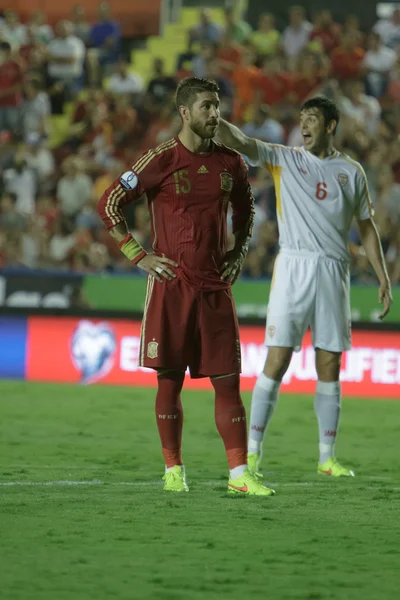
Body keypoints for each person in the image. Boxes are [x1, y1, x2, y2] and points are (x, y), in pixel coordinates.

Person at [97, 77, 274, 497]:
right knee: (169, 381)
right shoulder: (160, 158)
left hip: (215, 287)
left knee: (228, 381)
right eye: (207, 107)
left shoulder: (231, 163)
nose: (215, 114)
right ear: (185, 112)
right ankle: (173, 470)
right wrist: (138, 255)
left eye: (218, 106)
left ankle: (238, 476)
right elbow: (109, 203)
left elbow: (245, 209)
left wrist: (239, 250)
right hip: (171, 285)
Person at [217, 96, 392, 478]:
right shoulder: (285, 158)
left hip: (334, 271)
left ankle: (327, 457)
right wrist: (216, 120)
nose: (306, 125)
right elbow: (244, 142)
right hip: (294, 266)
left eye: (313, 119)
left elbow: (366, 227)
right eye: (302, 119)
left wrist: (383, 278)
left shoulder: (352, 172)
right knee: (276, 360)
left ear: (331, 125)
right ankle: (252, 452)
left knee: (330, 362)